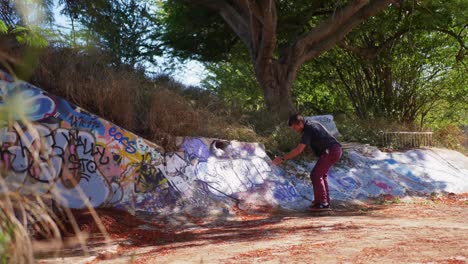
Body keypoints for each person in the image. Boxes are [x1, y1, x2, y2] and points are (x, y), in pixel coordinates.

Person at [272, 114, 342, 211]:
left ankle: (322, 203)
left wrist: (282, 158)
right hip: (334, 150)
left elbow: (299, 150)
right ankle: (324, 202)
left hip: (331, 150)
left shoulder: (308, 129)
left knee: (315, 175)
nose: (294, 129)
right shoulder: (312, 125)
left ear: (300, 123)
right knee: (321, 175)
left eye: (294, 127)